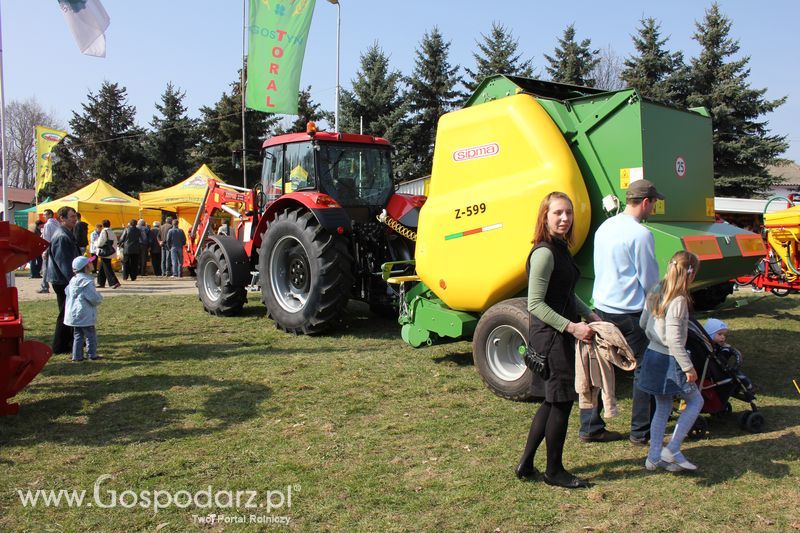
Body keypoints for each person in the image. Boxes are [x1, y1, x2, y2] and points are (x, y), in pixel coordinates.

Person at [515, 192, 601, 489]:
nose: (565, 219)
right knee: (561, 402)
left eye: (568, 213)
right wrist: (573, 328)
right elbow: (535, 303)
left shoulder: (560, 248)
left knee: (551, 402)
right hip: (551, 338)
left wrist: (591, 315)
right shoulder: (544, 253)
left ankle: (526, 463)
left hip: (558, 333)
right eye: (558, 214)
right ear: (545, 217)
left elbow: (566, 292)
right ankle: (555, 472)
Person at [581, 178, 664, 445]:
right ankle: (641, 430)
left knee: (598, 368)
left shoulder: (605, 227)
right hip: (629, 313)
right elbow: (650, 281)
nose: (653, 209)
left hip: (601, 309)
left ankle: (591, 426)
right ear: (646, 202)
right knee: (644, 367)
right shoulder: (641, 234)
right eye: (653, 204)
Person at [638, 251, 703, 472]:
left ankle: (654, 457)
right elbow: (675, 341)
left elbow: (642, 322)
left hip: (652, 354)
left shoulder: (656, 289)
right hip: (669, 359)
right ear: (690, 274)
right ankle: (672, 447)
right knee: (696, 401)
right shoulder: (679, 300)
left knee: (663, 406)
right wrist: (688, 367)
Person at [47, 206, 81, 354]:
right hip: (62, 281)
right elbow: (64, 263)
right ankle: (59, 346)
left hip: (63, 279)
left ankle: (68, 343)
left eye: (75, 216)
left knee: (69, 312)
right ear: (62, 218)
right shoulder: (62, 236)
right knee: (65, 313)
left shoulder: (67, 233)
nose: (75, 219)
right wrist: (74, 281)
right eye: (71, 216)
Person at [64, 255, 103, 362]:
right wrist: (100, 297)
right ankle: (92, 354)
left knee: (78, 335)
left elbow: (67, 292)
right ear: (85, 267)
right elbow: (93, 298)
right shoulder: (86, 282)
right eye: (89, 263)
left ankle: (77, 356)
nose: (92, 264)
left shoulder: (73, 280)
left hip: (74, 314)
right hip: (84, 314)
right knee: (90, 335)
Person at [37, 209, 59, 294]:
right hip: (56, 248)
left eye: (45, 214)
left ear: (50, 215)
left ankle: (45, 286)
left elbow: (46, 239)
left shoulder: (48, 225)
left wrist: (45, 251)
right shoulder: (57, 224)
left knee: (45, 267)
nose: (44, 216)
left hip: (49, 248)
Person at [95, 219, 121, 289]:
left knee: (107, 267)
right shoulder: (111, 232)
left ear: (103, 225)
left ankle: (114, 282)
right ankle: (101, 282)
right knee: (102, 267)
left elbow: (101, 242)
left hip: (105, 252)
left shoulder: (104, 232)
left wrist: (96, 244)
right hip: (110, 251)